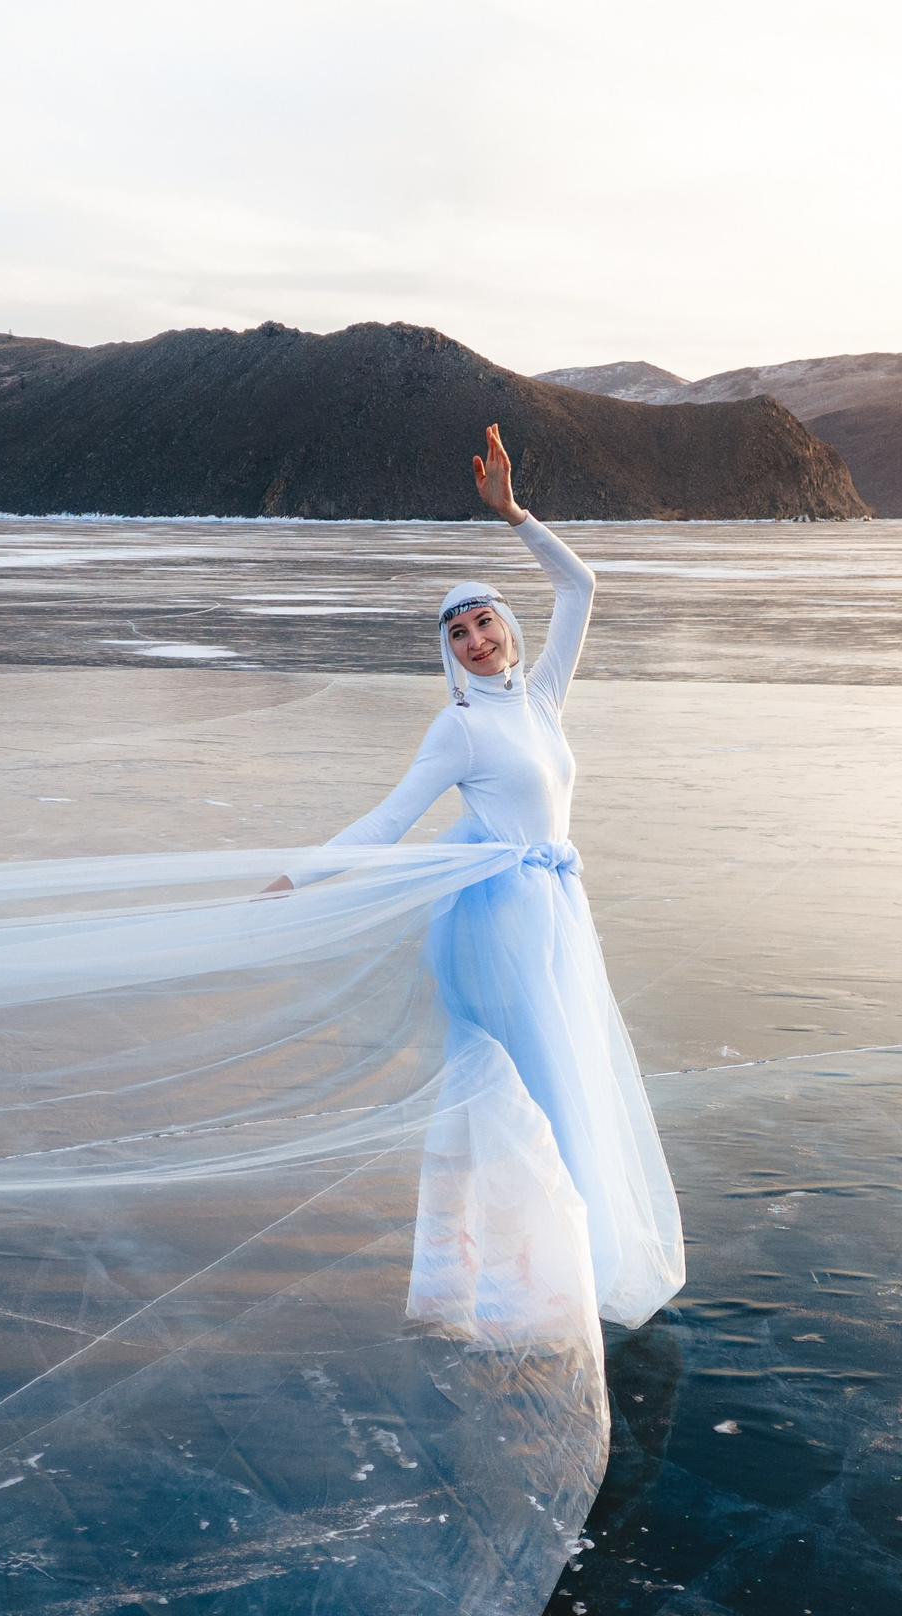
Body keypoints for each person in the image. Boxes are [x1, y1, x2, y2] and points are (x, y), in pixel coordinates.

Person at [271, 426, 684, 1340]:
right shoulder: (458, 728)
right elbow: (388, 821)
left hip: (554, 915)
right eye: (457, 634)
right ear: (448, 653)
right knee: (529, 1093)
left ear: (507, 627)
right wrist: (298, 876)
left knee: (567, 1085)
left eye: (484, 623)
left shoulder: (541, 699)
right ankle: (515, 1291)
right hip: (498, 930)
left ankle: (566, 1270)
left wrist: (514, 515)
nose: (475, 641)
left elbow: (581, 587)